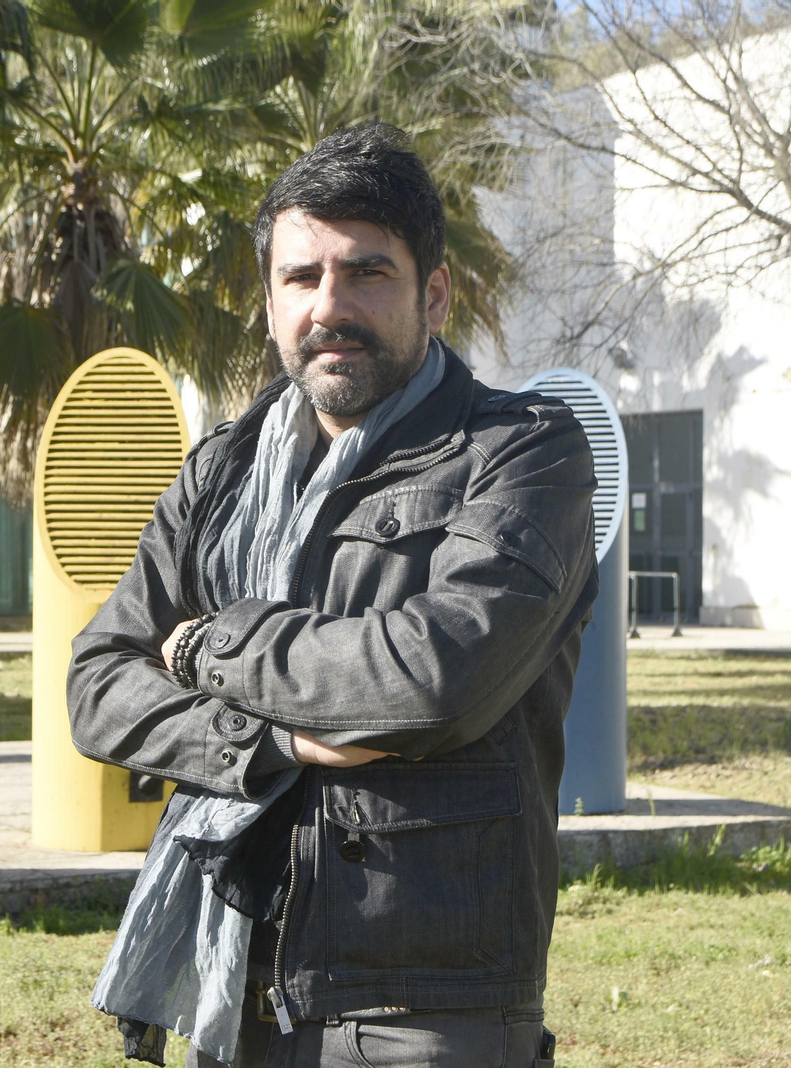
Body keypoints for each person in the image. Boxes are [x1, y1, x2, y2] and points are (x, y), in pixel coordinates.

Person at [67, 123, 598, 1068]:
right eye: (302, 277)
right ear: (270, 302)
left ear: (435, 294)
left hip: (423, 1008)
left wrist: (204, 647)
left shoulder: (523, 452)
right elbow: (99, 680)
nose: (330, 306)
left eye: (367, 273)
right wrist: (266, 742)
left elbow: (431, 676)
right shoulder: (221, 473)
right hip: (234, 994)